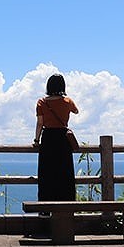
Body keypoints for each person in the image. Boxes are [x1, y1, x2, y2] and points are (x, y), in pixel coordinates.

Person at [33, 73, 79, 203]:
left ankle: (45, 207)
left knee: (46, 173)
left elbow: (40, 123)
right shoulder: (68, 101)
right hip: (63, 138)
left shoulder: (41, 102)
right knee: (65, 172)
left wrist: (36, 140)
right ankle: (67, 205)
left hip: (48, 138)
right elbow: (76, 111)